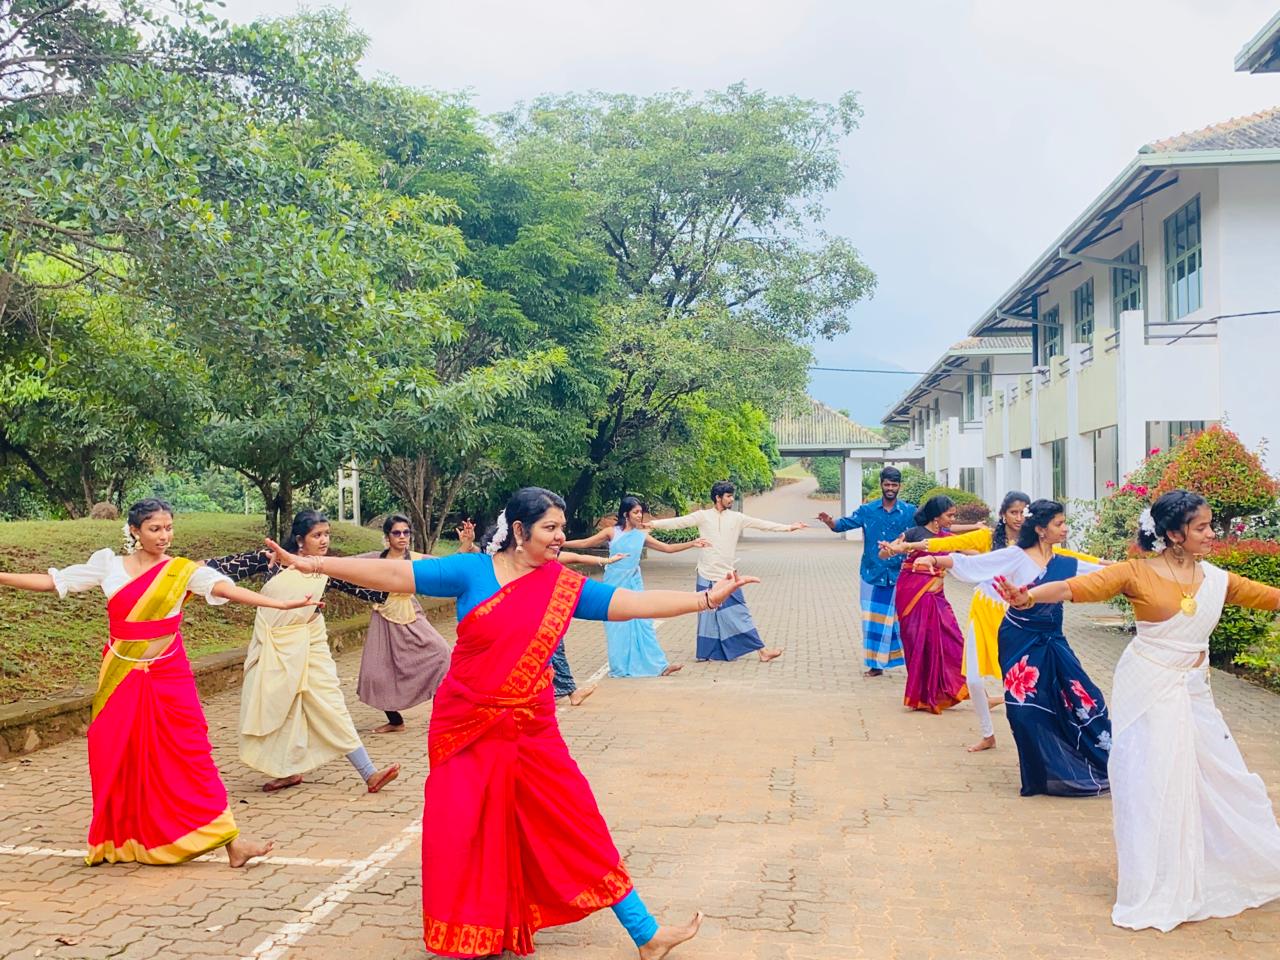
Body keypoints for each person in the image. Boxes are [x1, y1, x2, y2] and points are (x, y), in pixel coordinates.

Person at [262, 487, 740, 959]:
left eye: (562, 528)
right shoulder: (472, 572)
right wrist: (316, 564)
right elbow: (396, 572)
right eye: (549, 528)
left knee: (577, 824)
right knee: (464, 829)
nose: (559, 538)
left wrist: (704, 602)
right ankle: (480, 932)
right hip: (465, 725)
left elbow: (628, 606)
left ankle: (647, 934)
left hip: (533, 728)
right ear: (518, 530)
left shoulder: (559, 585)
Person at [995, 490, 1280, 931]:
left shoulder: (1218, 580)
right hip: (1149, 686)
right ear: (1172, 534)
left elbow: (1269, 596)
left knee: (1223, 774)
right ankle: (1158, 878)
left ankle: (1216, 863)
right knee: (1155, 779)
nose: (1211, 535)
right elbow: (1075, 588)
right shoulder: (1136, 573)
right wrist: (1029, 597)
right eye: (1201, 528)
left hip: (1194, 692)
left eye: (1210, 526)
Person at [0, 498, 310, 867]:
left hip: (169, 673)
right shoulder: (109, 566)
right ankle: (120, 839)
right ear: (134, 531)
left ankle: (232, 843)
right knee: (115, 753)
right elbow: (54, 582)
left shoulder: (181, 570)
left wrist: (278, 605)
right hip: (121, 673)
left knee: (191, 754)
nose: (165, 536)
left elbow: (226, 590)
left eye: (168, 528)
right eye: (155, 529)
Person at [913, 500, 1110, 797]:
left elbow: (1103, 573)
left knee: (1082, 698)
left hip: (1053, 640)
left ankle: (1103, 762)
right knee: (1023, 711)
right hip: (1018, 638)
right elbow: (972, 565)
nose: (1065, 528)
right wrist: (934, 560)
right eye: (1059, 523)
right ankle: (1041, 773)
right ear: (1042, 530)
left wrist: (1145, 568)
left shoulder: (1065, 562)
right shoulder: (1015, 557)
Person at [205, 510, 400, 793]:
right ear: (300, 540)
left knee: (330, 703)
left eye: (327, 534)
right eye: (316, 535)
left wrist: (399, 574)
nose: (324, 541)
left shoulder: (327, 568)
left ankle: (369, 772)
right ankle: (288, 772)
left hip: (310, 643)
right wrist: (177, 569)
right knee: (281, 706)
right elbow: (221, 568)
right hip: (273, 645)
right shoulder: (271, 560)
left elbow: (372, 590)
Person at [648, 480, 804, 662]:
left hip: (728, 575)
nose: (731, 499)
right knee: (707, 615)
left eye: (732, 495)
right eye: (728, 496)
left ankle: (762, 651)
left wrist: (788, 527)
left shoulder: (737, 518)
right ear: (718, 497)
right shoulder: (703, 516)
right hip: (706, 573)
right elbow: (679, 522)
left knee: (739, 612)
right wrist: (652, 525)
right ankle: (705, 653)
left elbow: (761, 524)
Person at [355, 515, 478, 734]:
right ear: (387, 537)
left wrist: (466, 544)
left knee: (441, 655)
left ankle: (448, 714)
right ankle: (395, 721)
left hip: (411, 614)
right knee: (376, 673)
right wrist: (308, 561)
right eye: (396, 533)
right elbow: (345, 565)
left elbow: (444, 567)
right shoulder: (377, 559)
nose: (402, 537)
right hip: (383, 617)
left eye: (406, 532)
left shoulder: (415, 558)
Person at [564, 495, 711, 677]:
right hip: (614, 584)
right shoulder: (612, 532)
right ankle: (620, 666)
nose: (640, 516)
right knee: (617, 626)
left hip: (633, 583)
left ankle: (659, 665)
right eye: (636, 512)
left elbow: (667, 548)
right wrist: (561, 543)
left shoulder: (641, 536)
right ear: (626, 514)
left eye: (641, 512)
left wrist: (692, 543)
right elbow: (586, 543)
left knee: (643, 624)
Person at [817, 466, 915, 677]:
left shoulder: (909, 512)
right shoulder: (867, 510)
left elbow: (927, 530)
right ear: (881, 485)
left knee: (903, 620)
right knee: (873, 621)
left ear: (899, 486)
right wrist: (829, 522)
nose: (890, 488)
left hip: (901, 575)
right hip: (872, 573)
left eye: (894, 485)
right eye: (887, 484)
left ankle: (911, 663)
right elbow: (842, 525)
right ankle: (876, 665)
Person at [893, 496, 969, 713]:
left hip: (937, 597)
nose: (953, 519)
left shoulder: (947, 538)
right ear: (937, 517)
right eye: (950, 515)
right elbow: (886, 551)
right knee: (919, 642)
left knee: (954, 641)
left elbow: (973, 553)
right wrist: (892, 548)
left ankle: (961, 689)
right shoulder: (914, 533)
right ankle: (923, 695)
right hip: (912, 595)